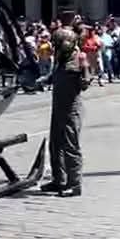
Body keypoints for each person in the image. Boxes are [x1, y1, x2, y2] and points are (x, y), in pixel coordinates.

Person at [42, 14, 87, 197]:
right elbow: (53, 77)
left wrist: (84, 70)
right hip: (58, 108)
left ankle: (74, 184)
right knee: (55, 145)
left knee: (70, 146)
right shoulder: (61, 62)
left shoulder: (76, 61)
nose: (54, 48)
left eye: (56, 45)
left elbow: (84, 83)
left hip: (70, 109)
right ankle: (58, 180)